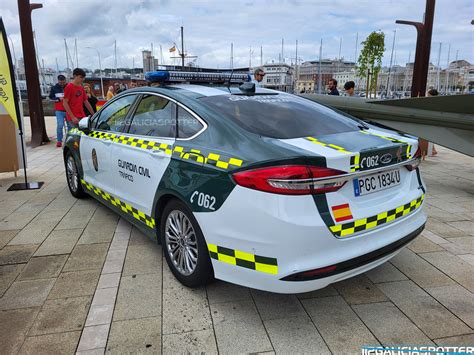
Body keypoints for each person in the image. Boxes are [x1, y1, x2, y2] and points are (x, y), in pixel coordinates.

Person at [49, 74, 67, 147]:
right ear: (58, 81)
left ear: (65, 81)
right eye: (60, 83)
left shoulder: (68, 86)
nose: (62, 84)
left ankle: (70, 139)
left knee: (70, 125)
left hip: (68, 109)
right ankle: (59, 140)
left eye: (63, 82)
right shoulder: (54, 88)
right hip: (59, 110)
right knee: (60, 125)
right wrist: (58, 99)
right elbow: (51, 97)